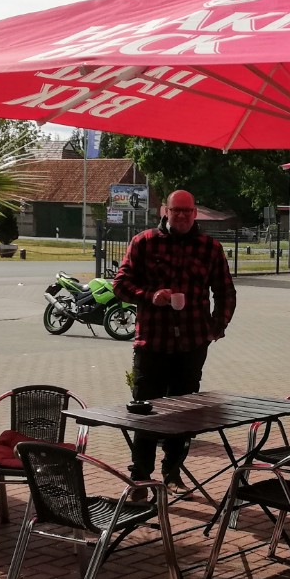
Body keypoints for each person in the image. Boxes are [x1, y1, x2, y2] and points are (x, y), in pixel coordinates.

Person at [112, 189, 236, 485]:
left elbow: (225, 291)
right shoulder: (144, 242)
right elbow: (120, 284)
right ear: (165, 211)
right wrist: (150, 295)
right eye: (175, 210)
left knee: (184, 413)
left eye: (186, 210)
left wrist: (217, 326)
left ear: (194, 213)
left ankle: (172, 472)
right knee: (145, 411)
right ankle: (140, 477)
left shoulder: (209, 247)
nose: (181, 215)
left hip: (192, 344)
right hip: (152, 342)